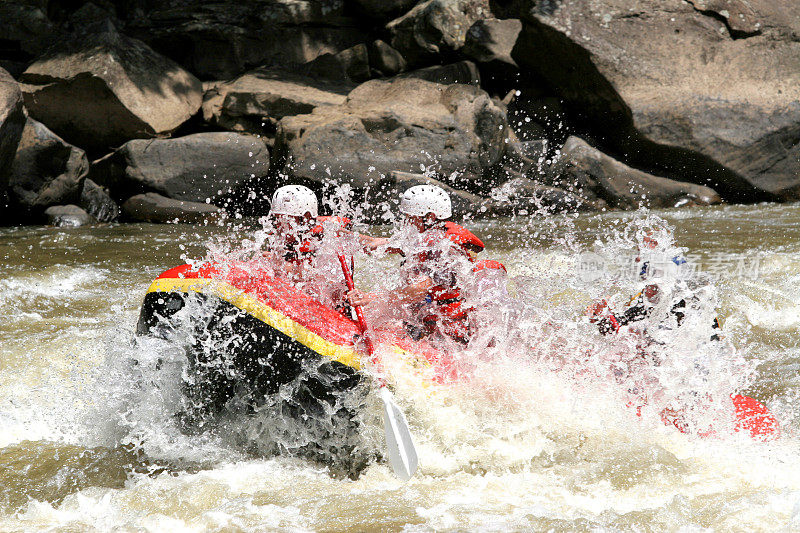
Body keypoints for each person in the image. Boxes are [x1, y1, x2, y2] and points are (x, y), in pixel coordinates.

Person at [347, 185, 488, 346]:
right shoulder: (422, 237)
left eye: (410, 217)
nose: (406, 222)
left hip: (449, 332)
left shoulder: (447, 250)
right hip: (425, 319)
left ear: (429, 217)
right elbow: (375, 244)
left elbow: (419, 291)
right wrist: (338, 234)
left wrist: (371, 297)